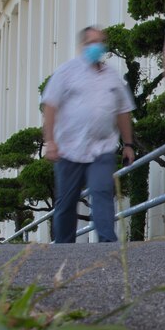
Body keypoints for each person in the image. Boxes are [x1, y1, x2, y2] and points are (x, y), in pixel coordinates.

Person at [42, 26, 136, 243]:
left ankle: (107, 243)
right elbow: (50, 106)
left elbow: (123, 110)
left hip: (102, 148)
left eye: (100, 42)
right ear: (82, 45)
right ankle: (64, 248)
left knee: (102, 191)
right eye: (92, 42)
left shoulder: (112, 76)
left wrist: (128, 144)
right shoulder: (66, 72)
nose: (97, 46)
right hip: (69, 149)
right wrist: (50, 142)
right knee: (66, 202)